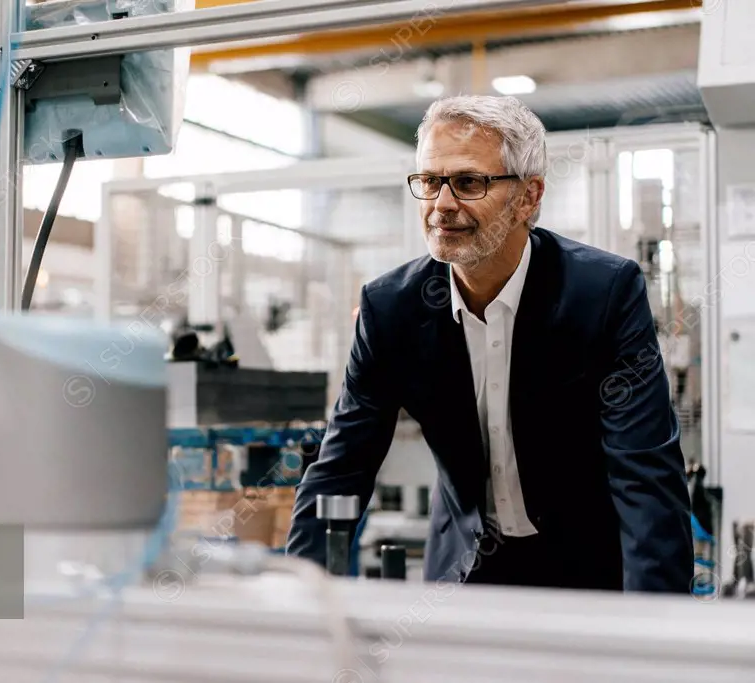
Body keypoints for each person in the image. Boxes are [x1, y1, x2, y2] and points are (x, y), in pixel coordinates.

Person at [286, 95, 694, 592]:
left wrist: (656, 629)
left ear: (528, 197)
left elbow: (646, 478)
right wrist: (301, 597)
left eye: (468, 182)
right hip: (462, 574)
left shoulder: (603, 295)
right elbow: (341, 469)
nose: (442, 205)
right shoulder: (391, 308)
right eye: (431, 182)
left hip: (588, 574)